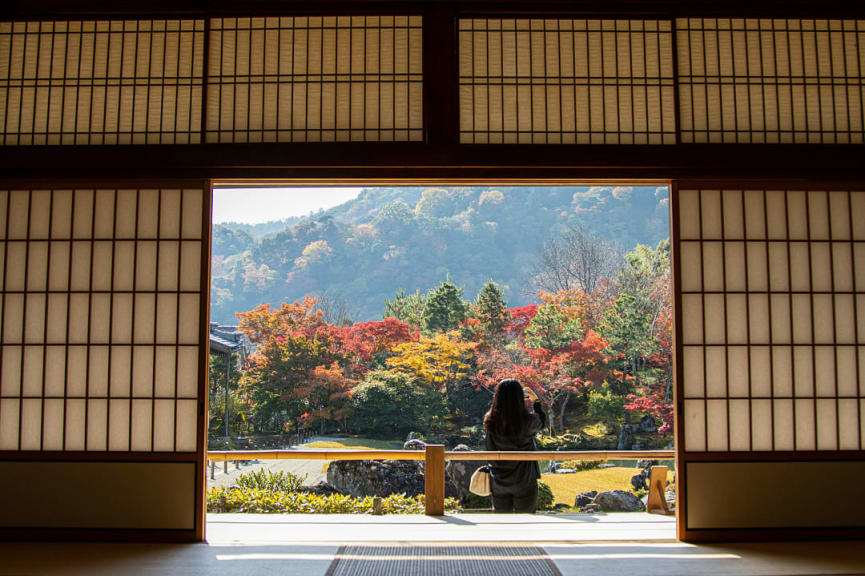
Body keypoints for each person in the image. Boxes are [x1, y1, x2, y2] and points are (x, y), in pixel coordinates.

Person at [483, 378, 547, 513]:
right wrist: (536, 403)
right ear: (520, 397)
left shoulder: (491, 420)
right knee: (526, 522)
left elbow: (489, 448)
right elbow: (542, 421)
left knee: (502, 523)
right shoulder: (527, 421)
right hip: (524, 479)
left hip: (499, 480)